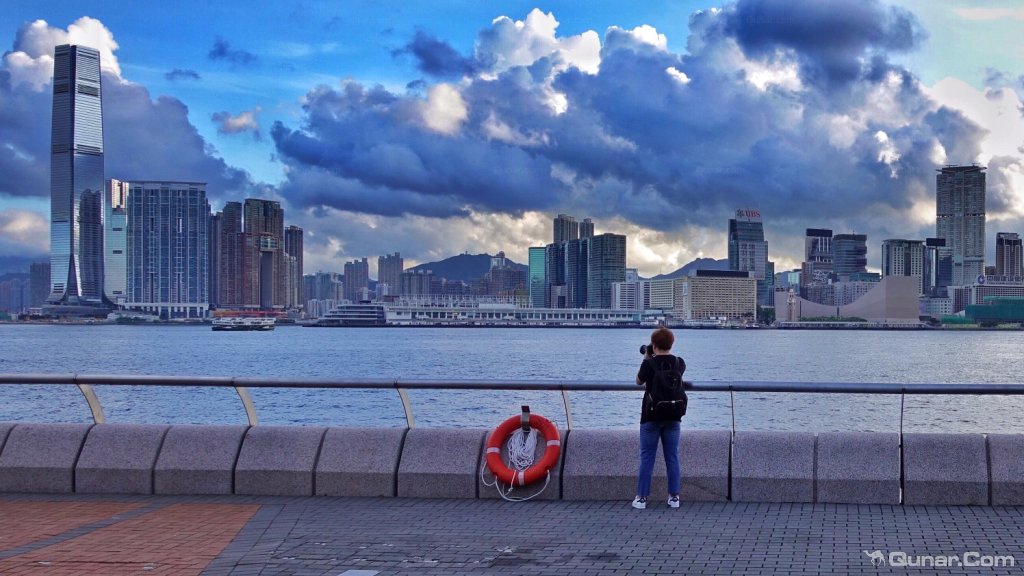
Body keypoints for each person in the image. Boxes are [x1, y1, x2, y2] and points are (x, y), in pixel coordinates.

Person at [632, 326, 686, 509]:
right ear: (672, 344)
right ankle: (674, 498)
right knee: (672, 456)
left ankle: (641, 498)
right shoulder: (679, 362)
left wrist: (646, 357)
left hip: (650, 416)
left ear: (653, 345)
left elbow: (639, 381)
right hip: (673, 415)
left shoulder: (649, 363)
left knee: (647, 457)